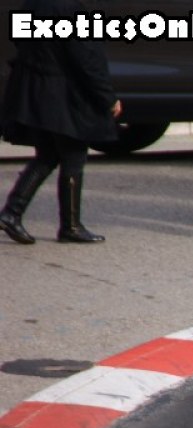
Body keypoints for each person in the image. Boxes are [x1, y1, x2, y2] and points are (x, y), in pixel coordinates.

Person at [0, 0, 122, 245]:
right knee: (73, 155)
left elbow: (20, 39)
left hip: (34, 87)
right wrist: (108, 97)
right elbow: (86, 57)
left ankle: (12, 213)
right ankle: (70, 225)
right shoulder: (71, 8)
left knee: (47, 154)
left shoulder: (33, 4)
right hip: (63, 93)